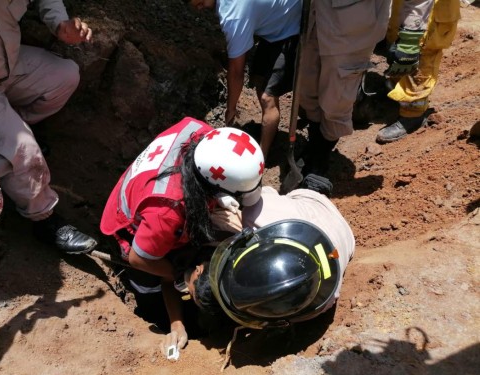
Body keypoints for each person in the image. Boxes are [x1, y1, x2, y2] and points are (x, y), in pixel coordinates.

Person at [99, 117, 265, 355]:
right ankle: (155, 309)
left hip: (147, 194)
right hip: (131, 225)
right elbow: (139, 259)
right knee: (149, 291)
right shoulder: (167, 214)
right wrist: (175, 274)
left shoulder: (205, 138)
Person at [0, 1, 96, 254]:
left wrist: (60, 23)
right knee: (24, 149)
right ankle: (43, 219)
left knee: (65, 75)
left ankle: (5, 134)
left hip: (10, 67)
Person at [185, 185, 355, 328]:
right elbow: (267, 192)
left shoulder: (321, 304)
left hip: (347, 239)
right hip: (317, 203)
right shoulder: (255, 214)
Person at [185, 0, 302, 159]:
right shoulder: (234, 12)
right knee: (258, 81)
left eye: (200, 3)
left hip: (290, 27)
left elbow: (236, 72)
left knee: (268, 98)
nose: (199, 8)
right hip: (273, 24)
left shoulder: (233, 17)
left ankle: (262, 157)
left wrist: (231, 108)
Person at [298, 0, 392, 196]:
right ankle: (314, 141)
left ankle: (319, 159)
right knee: (307, 90)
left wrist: (411, 31)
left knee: (335, 102)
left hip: (353, 31)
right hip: (315, 18)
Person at [376, 0, 460, 143]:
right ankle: (397, 90)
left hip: (430, 13)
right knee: (398, 44)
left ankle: (413, 114)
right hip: (407, 7)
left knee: (420, 57)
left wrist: (411, 35)